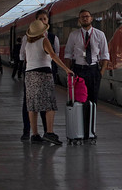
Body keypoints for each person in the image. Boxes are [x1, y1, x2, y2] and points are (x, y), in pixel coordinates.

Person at [23, 19, 73, 145]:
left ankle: (34, 135)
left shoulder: (28, 44)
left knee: (32, 106)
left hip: (29, 75)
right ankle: (49, 133)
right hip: (43, 75)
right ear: (43, 31)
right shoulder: (44, 40)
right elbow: (53, 55)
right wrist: (66, 69)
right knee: (50, 105)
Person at [64, 9, 109, 143]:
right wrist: (68, 71)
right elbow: (67, 54)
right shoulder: (74, 35)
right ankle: (80, 129)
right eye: (82, 17)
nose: (85, 19)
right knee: (78, 101)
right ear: (79, 20)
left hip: (93, 70)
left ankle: (90, 131)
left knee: (93, 101)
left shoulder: (100, 35)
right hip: (78, 70)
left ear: (91, 19)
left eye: (87, 16)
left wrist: (101, 73)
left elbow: (105, 55)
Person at [20, 9, 60, 141]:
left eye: (45, 19)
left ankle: (37, 134)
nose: (43, 21)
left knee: (33, 104)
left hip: (35, 73)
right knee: (39, 104)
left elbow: (55, 55)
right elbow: (54, 55)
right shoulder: (29, 38)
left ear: (48, 21)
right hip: (40, 73)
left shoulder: (53, 38)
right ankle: (35, 132)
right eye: (40, 19)